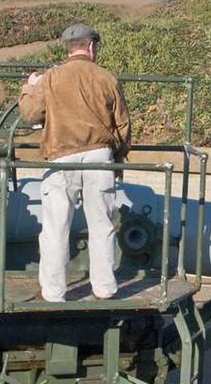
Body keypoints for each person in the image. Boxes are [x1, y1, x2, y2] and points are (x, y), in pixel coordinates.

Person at [18, 24, 131, 302]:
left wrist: (29, 89)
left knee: (56, 228)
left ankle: (54, 292)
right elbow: (123, 126)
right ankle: (104, 288)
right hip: (99, 156)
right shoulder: (106, 78)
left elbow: (30, 115)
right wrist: (117, 161)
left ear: (68, 48)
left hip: (61, 156)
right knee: (102, 225)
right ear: (91, 46)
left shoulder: (51, 78)